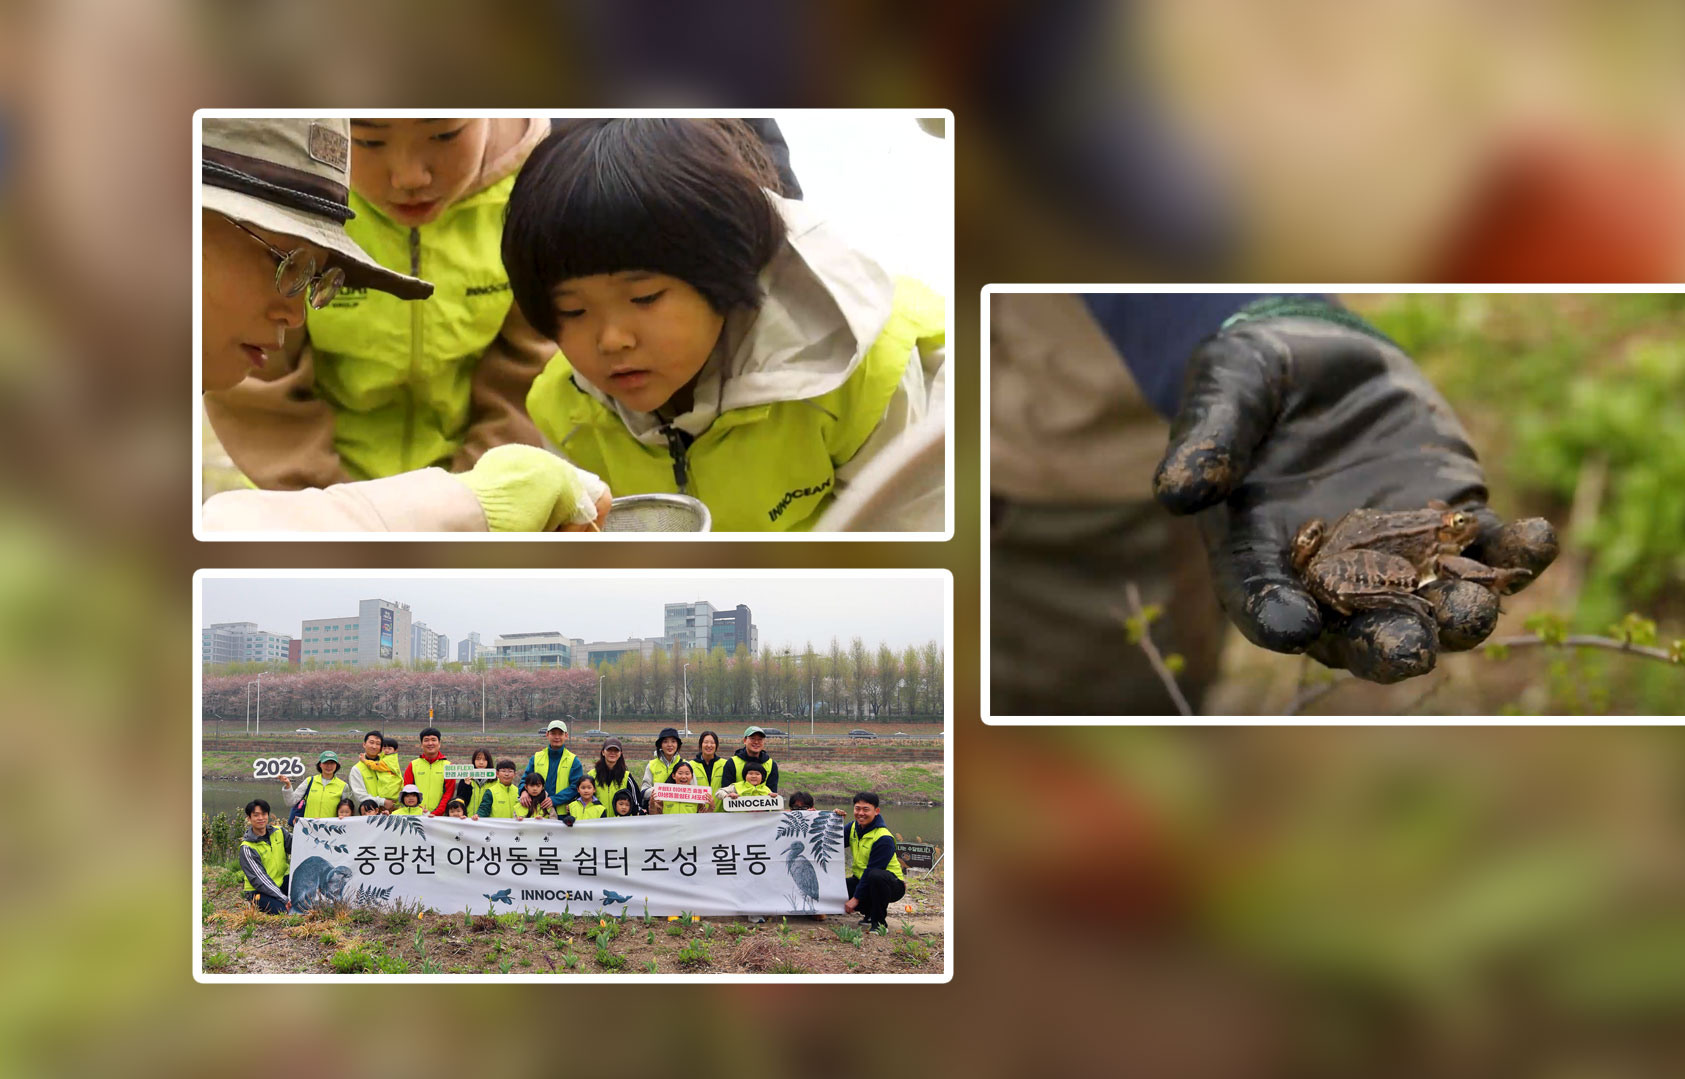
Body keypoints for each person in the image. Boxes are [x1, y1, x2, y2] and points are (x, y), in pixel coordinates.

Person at [989, 293, 1561, 710]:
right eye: (1455, 523)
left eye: (1454, 522)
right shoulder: (1438, 545)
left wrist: (1249, 309)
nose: (1459, 530)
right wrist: (1492, 574)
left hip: (1092, 472)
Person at [502, 118, 948, 532]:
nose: (612, 340)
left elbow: (905, 545)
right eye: (573, 311)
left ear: (723, 270)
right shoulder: (566, 412)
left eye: (645, 298)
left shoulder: (857, 370)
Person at [197, 117, 609, 532]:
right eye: (369, 141)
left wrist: (474, 503)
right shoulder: (293, 173)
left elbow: (524, 372)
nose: (410, 177)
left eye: (444, 134)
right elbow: (264, 394)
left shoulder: (535, 194)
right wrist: (348, 519)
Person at [831, 792, 906, 931]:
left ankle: (879, 924)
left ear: (876, 811)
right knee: (834, 889)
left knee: (875, 876)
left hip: (891, 885)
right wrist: (833, 821)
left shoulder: (884, 838)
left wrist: (855, 899)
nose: (861, 813)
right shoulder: (853, 827)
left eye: (866, 809)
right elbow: (832, 842)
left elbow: (872, 871)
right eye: (857, 808)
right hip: (863, 880)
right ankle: (869, 913)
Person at [237, 799, 293, 914]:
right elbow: (260, 880)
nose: (261, 818)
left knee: (306, 896)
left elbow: (299, 846)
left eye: (264, 814)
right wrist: (283, 898)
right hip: (259, 891)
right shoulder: (247, 847)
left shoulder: (279, 832)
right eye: (256, 815)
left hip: (281, 882)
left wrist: (307, 825)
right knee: (284, 912)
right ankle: (253, 904)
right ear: (249, 818)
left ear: (268, 815)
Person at [521, 720, 584, 814]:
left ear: (566, 735)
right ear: (547, 735)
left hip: (563, 814)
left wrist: (555, 800)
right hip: (537, 812)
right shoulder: (536, 758)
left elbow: (576, 786)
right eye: (553, 733)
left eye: (560, 734)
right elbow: (525, 780)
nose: (557, 737)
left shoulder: (573, 761)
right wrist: (523, 791)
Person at [279, 750, 348, 821]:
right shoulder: (309, 781)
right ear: (320, 764)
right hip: (309, 826)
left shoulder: (343, 786)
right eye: (325, 763)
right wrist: (288, 785)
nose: (329, 766)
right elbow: (291, 802)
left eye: (332, 763)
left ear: (336, 765)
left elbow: (346, 811)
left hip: (330, 827)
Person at [400, 727, 455, 816]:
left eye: (433, 740)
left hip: (440, 817)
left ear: (439, 743)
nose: (430, 743)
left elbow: (449, 793)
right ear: (421, 744)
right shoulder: (413, 765)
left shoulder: (448, 766)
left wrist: (436, 813)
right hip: (417, 815)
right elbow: (407, 791)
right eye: (426, 740)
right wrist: (420, 811)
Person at [347, 731, 401, 812]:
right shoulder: (357, 769)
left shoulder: (388, 763)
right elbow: (360, 796)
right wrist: (383, 802)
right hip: (369, 814)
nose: (374, 746)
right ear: (364, 744)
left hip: (391, 811)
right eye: (371, 742)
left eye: (378, 744)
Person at [718, 727, 779, 794]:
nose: (756, 742)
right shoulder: (732, 763)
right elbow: (726, 792)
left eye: (760, 739)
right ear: (745, 740)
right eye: (752, 738)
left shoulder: (771, 764)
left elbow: (773, 792)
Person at [638, 727, 685, 810]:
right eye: (665, 742)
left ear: (678, 745)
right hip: (658, 813)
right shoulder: (651, 765)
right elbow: (644, 792)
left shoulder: (685, 765)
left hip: (679, 812)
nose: (669, 745)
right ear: (660, 745)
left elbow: (693, 789)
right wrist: (662, 791)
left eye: (673, 741)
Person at [589, 739, 639, 813]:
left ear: (620, 753)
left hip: (619, 820)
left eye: (616, 750)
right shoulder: (592, 775)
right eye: (609, 750)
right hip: (598, 819)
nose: (612, 753)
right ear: (603, 752)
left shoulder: (626, 776)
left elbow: (636, 802)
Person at [688, 730, 726, 809]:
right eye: (706, 742)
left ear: (716, 745)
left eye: (712, 743)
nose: (709, 745)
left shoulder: (725, 764)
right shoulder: (690, 765)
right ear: (700, 744)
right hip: (698, 813)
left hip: (720, 813)